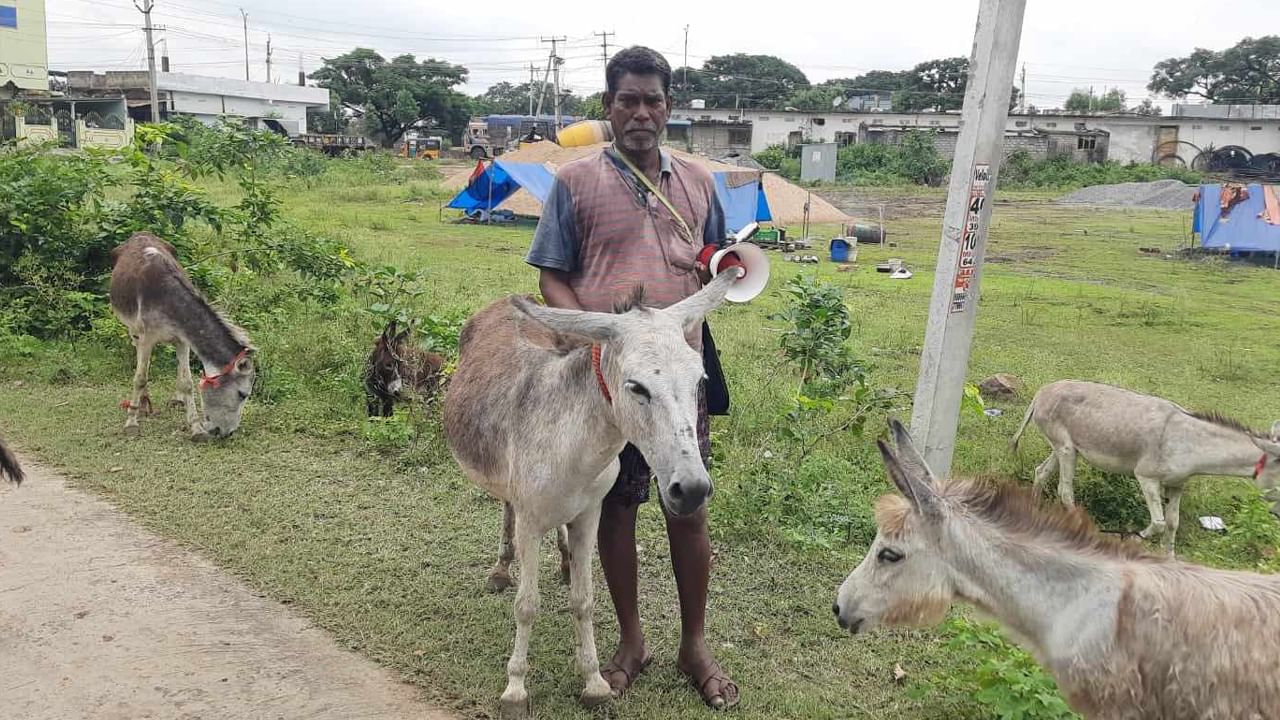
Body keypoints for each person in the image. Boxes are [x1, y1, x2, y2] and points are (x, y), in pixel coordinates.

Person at [524, 45, 740, 711]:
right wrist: (591, 330)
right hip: (609, 382)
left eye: (653, 99)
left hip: (677, 377)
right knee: (614, 508)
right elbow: (551, 272)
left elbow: (717, 269)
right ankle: (631, 641)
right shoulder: (574, 182)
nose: (641, 112)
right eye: (628, 100)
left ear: (669, 107)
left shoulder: (700, 184)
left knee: (690, 505)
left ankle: (695, 645)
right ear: (609, 108)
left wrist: (719, 267)